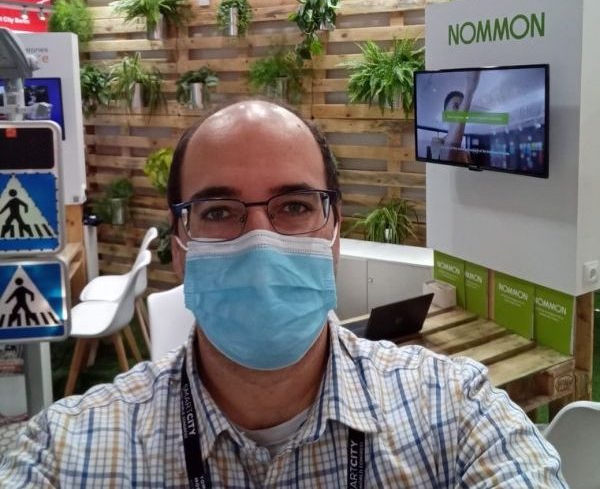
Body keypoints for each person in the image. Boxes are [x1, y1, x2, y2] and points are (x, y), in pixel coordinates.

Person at [0, 99, 567, 487]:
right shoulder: (67, 450)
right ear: (180, 245)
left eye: (294, 206)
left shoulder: (456, 411)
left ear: (335, 232)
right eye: (218, 211)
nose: (260, 241)